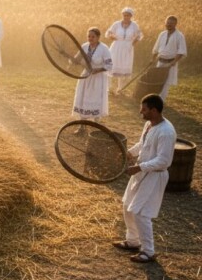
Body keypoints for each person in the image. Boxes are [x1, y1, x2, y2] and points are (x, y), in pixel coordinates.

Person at [113, 94, 176, 263]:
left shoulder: (166, 132)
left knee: (141, 212)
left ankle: (148, 252)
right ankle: (133, 241)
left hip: (154, 176)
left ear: (154, 110)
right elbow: (142, 144)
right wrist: (129, 153)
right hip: (141, 172)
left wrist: (139, 167)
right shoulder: (149, 124)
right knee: (127, 206)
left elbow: (164, 160)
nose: (141, 112)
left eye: (144, 109)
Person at [71, 28, 113, 122]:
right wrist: (72, 60)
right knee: (83, 97)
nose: (90, 38)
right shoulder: (85, 46)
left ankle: (96, 122)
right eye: (89, 36)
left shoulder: (104, 48)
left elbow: (109, 65)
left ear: (98, 37)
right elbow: (77, 59)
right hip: (85, 76)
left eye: (93, 36)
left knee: (95, 98)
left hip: (98, 78)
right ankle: (82, 122)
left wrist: (98, 70)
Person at [105, 7, 143, 93]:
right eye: (124, 15)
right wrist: (112, 37)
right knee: (112, 65)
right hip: (116, 46)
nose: (126, 17)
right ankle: (108, 88)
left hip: (127, 47)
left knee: (124, 66)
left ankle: (120, 88)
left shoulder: (134, 25)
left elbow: (139, 35)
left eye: (128, 15)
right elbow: (108, 33)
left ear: (131, 16)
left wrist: (133, 43)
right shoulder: (117, 24)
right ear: (122, 15)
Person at [152, 15, 187, 100]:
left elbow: (181, 51)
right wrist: (152, 59)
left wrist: (173, 62)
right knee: (157, 80)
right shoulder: (162, 34)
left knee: (166, 82)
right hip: (160, 61)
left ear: (175, 24)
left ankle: (161, 100)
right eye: (167, 23)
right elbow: (156, 48)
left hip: (171, 63)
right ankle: (156, 98)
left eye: (171, 23)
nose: (169, 25)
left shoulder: (179, 36)